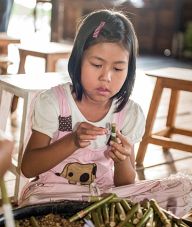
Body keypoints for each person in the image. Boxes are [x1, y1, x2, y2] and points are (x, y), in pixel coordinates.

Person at [19, 9, 145, 205]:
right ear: (78, 60)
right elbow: (28, 168)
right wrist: (73, 141)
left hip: (101, 198)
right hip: (50, 195)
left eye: (118, 68)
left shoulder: (128, 114)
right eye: (96, 64)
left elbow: (127, 183)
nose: (107, 77)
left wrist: (121, 160)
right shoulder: (55, 103)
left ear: (129, 71)